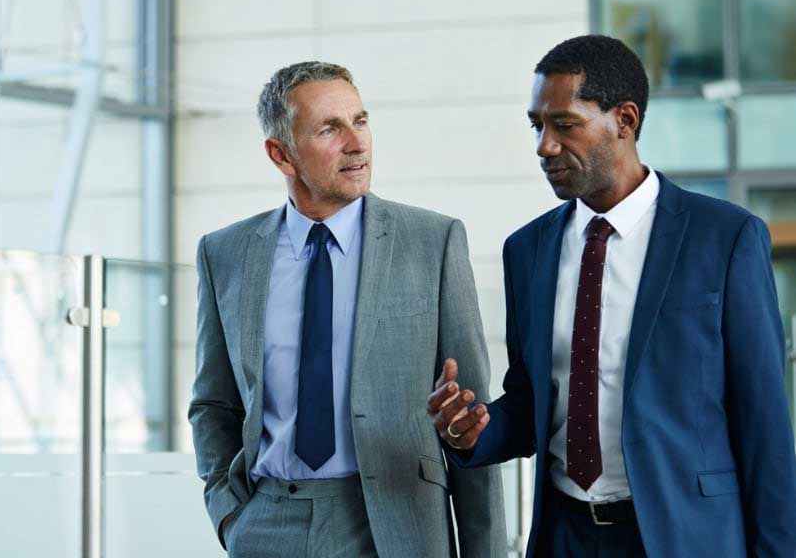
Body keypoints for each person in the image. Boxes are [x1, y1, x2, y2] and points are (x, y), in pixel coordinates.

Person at [428, 34, 796, 557]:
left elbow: (765, 428)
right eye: (537, 126)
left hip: (684, 538)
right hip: (564, 537)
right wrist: (471, 432)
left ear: (624, 120)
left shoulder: (726, 238)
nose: (544, 146)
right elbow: (535, 402)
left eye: (564, 125)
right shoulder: (527, 250)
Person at [189, 61, 506, 557]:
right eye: (329, 129)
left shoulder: (432, 242)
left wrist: (484, 551)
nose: (356, 143)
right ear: (281, 154)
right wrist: (229, 513)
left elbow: (472, 413)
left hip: (396, 524)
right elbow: (213, 403)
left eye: (360, 121)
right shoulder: (224, 254)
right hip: (267, 524)